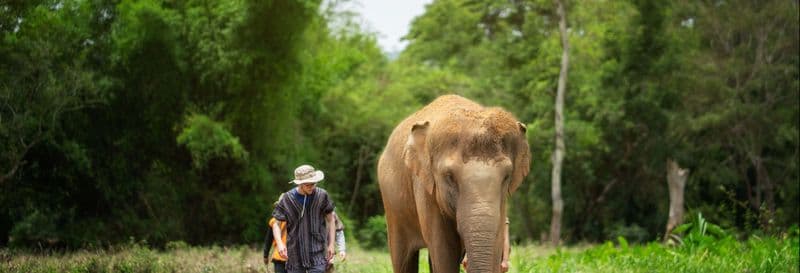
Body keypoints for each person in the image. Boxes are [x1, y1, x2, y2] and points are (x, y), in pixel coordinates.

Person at [272, 164, 336, 273]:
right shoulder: (287, 199)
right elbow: (276, 224)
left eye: (314, 183)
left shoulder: (322, 196)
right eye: (308, 185)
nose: (312, 187)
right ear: (300, 184)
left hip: (317, 252)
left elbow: (331, 220)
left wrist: (331, 244)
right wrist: (280, 244)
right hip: (295, 254)